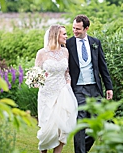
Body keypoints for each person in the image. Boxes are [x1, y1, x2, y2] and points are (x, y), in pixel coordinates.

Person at [66, 15, 113, 153]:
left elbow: (102, 66)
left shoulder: (95, 42)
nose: (75, 31)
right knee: (80, 123)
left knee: (98, 122)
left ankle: (83, 149)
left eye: (78, 29)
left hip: (95, 88)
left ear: (86, 28)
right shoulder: (68, 44)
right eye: (73, 28)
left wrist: (108, 87)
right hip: (78, 88)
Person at [35, 25, 78, 153]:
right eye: (64, 34)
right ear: (55, 35)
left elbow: (67, 72)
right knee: (47, 128)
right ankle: (43, 150)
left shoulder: (65, 51)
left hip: (62, 92)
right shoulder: (42, 53)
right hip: (46, 94)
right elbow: (36, 73)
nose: (66, 36)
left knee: (61, 127)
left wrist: (68, 84)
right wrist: (38, 81)